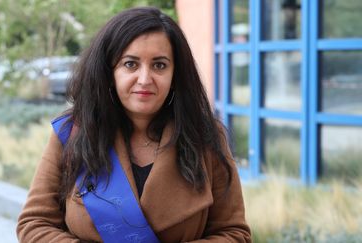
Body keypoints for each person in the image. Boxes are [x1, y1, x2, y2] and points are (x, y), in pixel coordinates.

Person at [17, 6, 251, 243]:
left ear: (175, 75)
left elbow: (235, 234)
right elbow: (35, 224)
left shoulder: (207, 137)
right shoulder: (74, 132)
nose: (144, 79)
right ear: (109, 72)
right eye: (130, 64)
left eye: (159, 65)